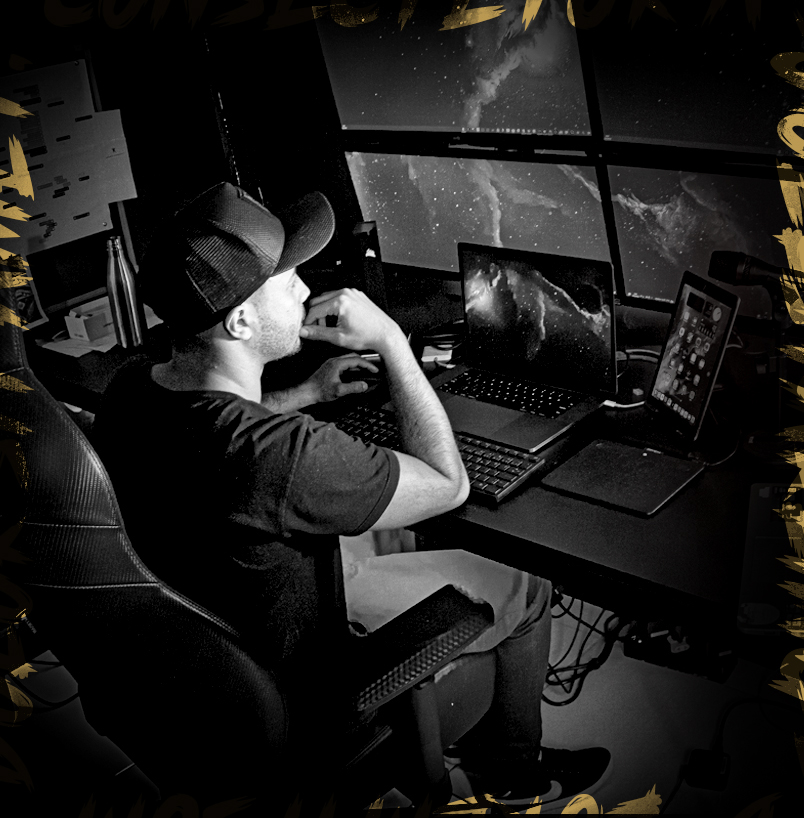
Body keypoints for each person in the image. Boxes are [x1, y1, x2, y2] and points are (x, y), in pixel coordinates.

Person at [92, 181, 611, 809]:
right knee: (528, 585)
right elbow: (448, 485)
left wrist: (307, 394)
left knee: (396, 526)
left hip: (222, 630)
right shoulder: (282, 455)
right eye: (288, 281)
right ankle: (512, 772)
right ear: (241, 320)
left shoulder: (131, 392)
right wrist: (391, 341)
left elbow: (219, 429)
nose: (304, 291)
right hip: (307, 675)